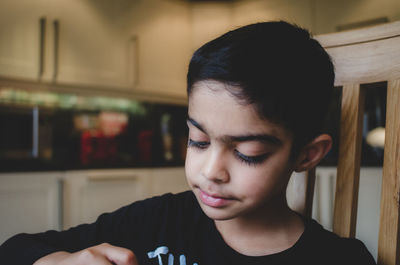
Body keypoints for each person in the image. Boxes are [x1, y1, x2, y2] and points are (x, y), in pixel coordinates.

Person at [0, 21, 376, 265]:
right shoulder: (156, 221)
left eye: (248, 154)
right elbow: (14, 249)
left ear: (307, 155)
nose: (210, 171)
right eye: (197, 140)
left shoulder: (341, 258)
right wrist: (57, 261)